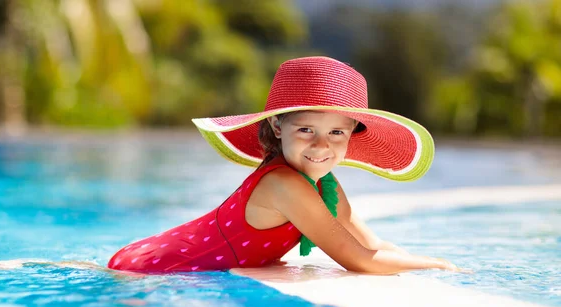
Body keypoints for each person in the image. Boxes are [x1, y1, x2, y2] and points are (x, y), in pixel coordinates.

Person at [108, 56, 460, 275]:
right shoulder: (284, 185)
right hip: (153, 269)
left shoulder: (326, 185)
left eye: (336, 132)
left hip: (159, 260)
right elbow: (360, 259)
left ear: (353, 133)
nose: (321, 145)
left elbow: (371, 243)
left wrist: (423, 259)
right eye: (306, 129)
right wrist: (434, 266)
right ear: (278, 127)